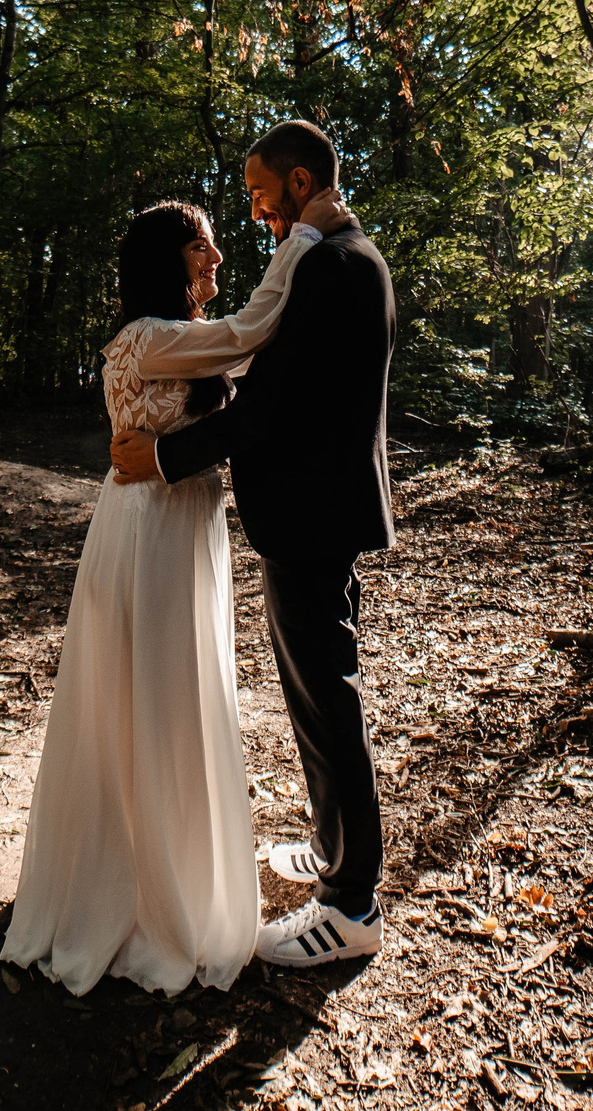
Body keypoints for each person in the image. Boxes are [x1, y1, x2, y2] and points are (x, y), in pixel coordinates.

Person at [0, 197, 330, 994]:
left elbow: (254, 365)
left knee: (146, 691)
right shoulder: (154, 338)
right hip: (157, 529)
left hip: (151, 519)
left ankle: (130, 861)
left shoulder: (167, 341)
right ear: (168, 259)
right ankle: (147, 894)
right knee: (162, 693)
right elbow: (252, 334)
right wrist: (299, 242)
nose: (218, 260)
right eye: (204, 250)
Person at [112, 119, 395, 968]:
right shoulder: (340, 258)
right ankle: (333, 844)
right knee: (313, 695)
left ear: (300, 182)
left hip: (313, 514)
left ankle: (350, 905)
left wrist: (165, 456)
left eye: (261, 193)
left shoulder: (333, 265)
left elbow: (275, 409)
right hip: (313, 512)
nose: (257, 210)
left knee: (326, 696)